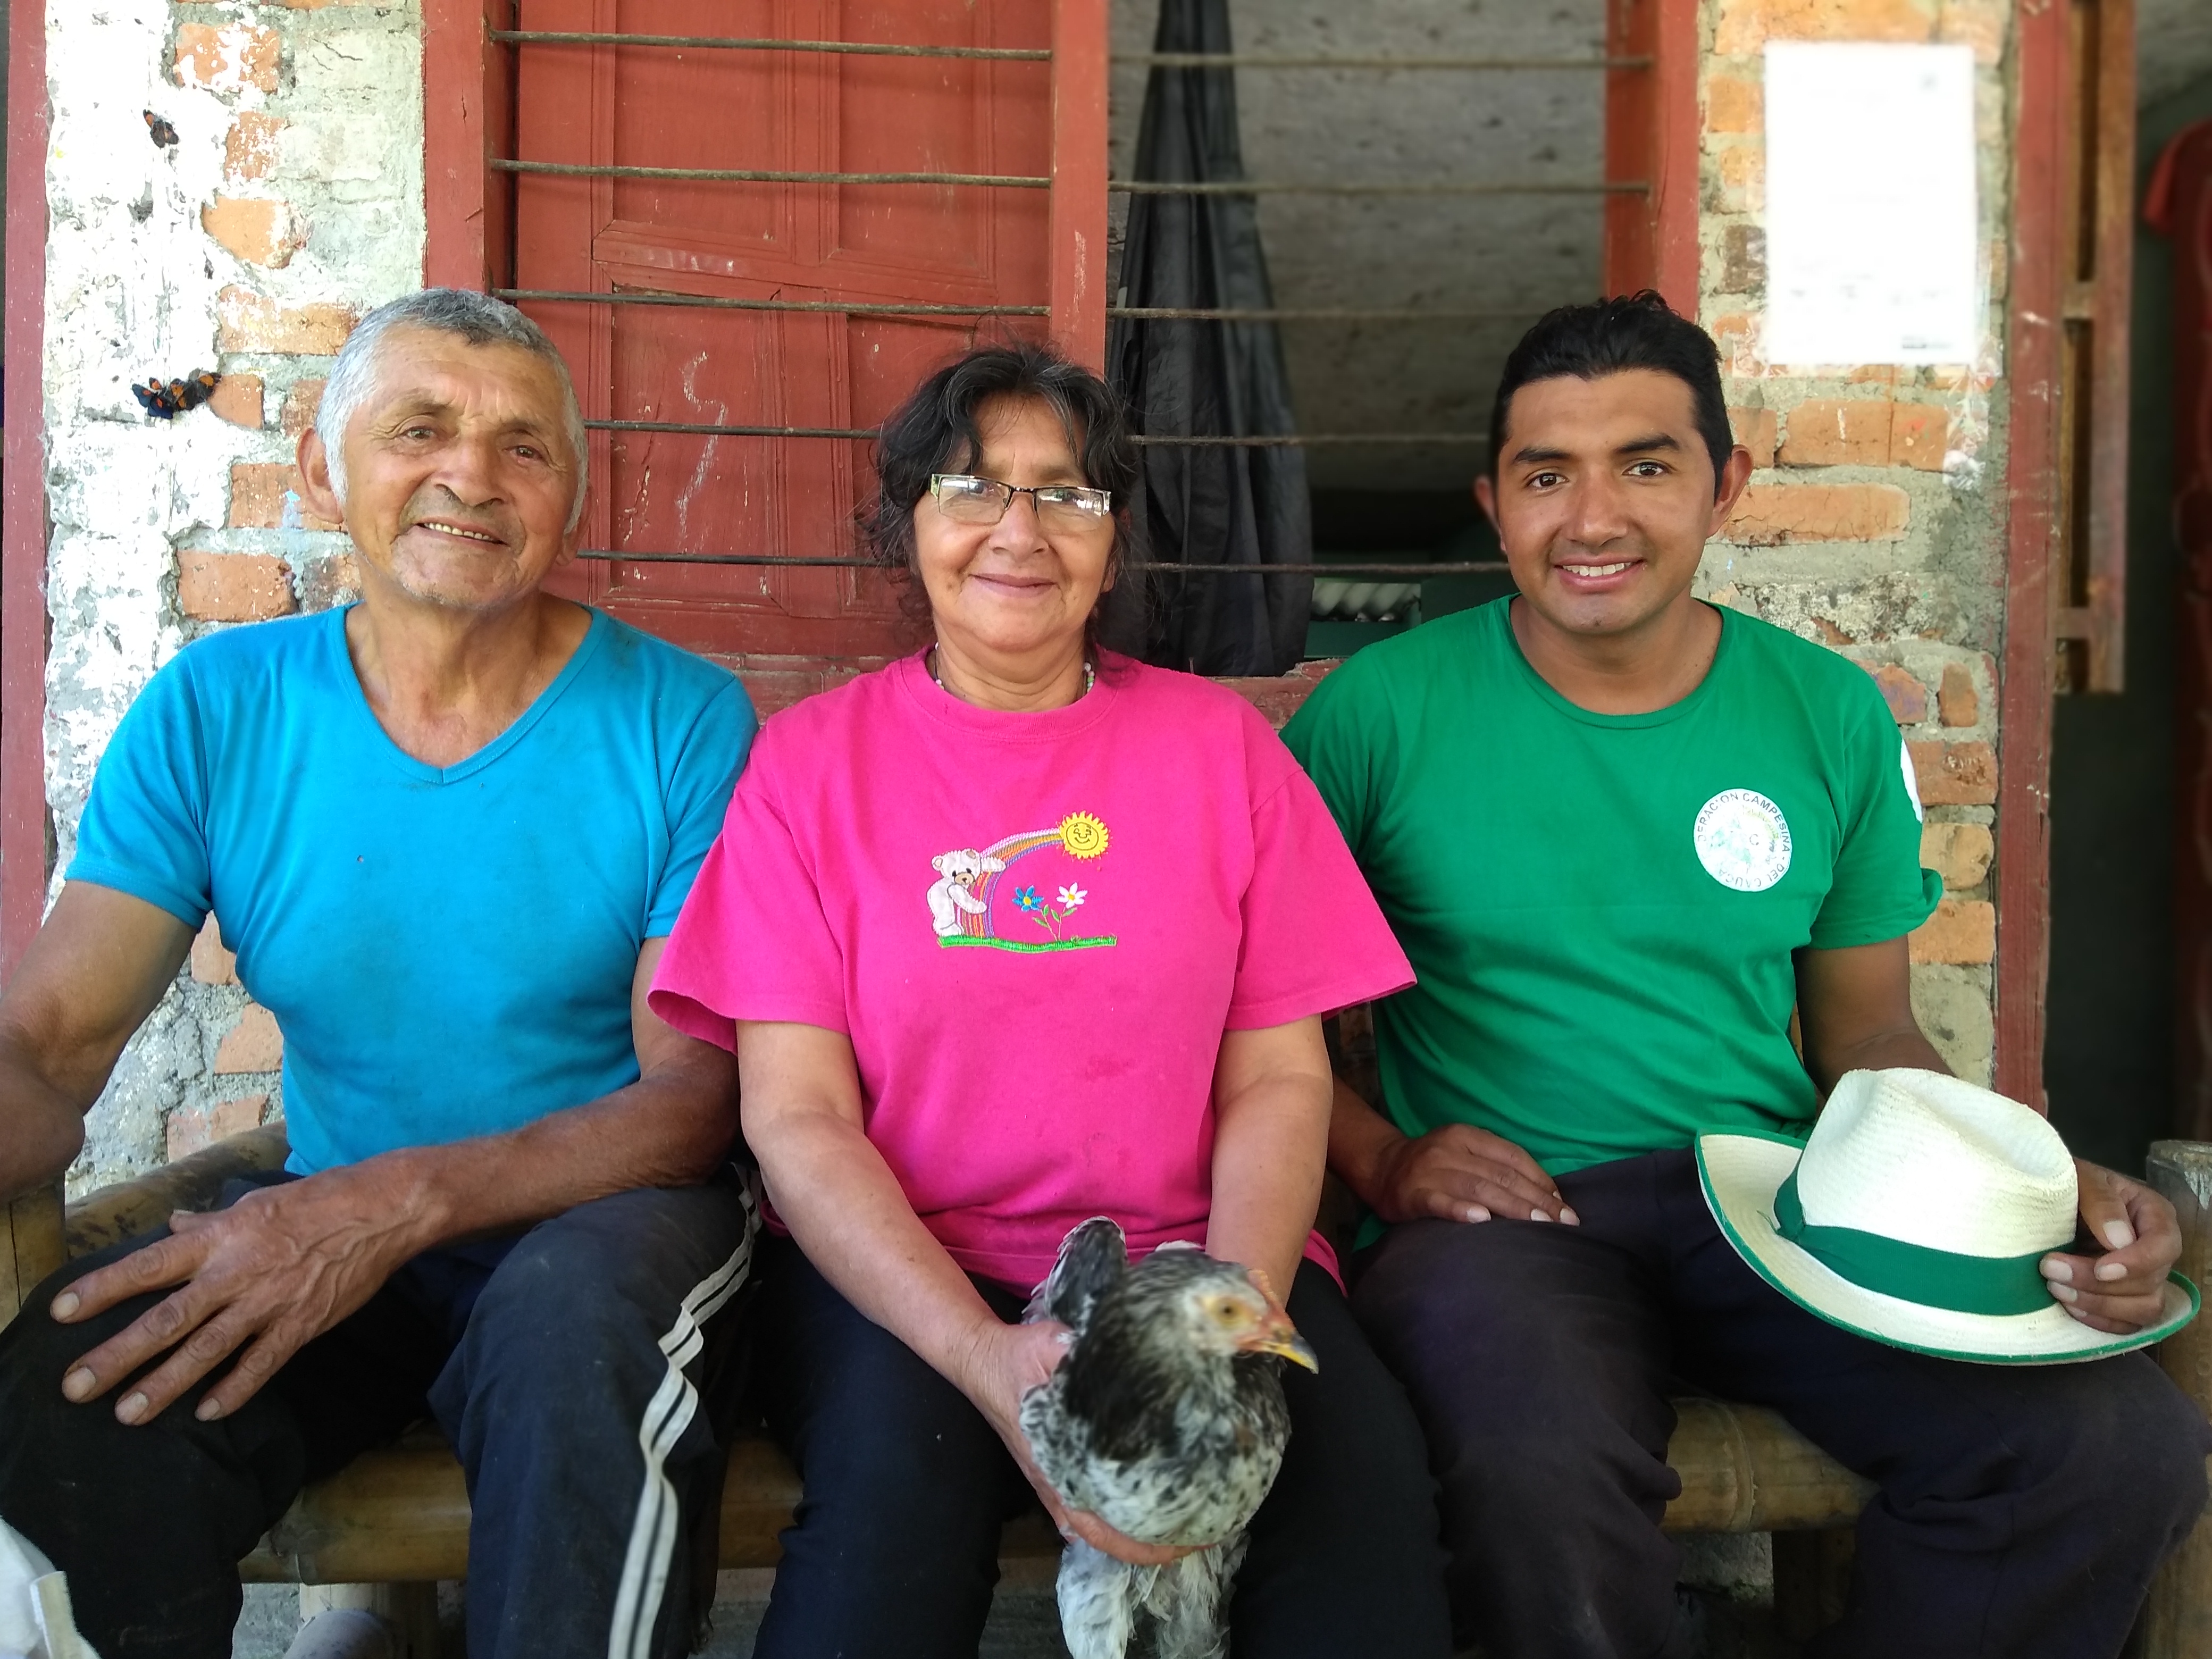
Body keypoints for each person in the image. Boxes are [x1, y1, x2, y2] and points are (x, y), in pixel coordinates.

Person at [1281, 291, 2212, 1658]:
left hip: (1782, 1208)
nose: (1591, 520)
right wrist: (1382, 1162)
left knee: (2113, 1445)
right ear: (1495, 504)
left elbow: (1869, 1037)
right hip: (1508, 1229)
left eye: (1644, 467)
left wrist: (2043, 1189)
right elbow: (1257, 1026)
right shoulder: (1376, 713)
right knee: (1530, 1463)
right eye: (1548, 476)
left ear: (1725, 485)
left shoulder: (1822, 710)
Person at [648, 341, 1453, 1659]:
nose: (1019, 531)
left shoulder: (1220, 752)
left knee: (1360, 1525)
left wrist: (1228, 1322)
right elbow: (797, 1122)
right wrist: (977, 1356)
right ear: (905, 527)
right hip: (913, 1279)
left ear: (1111, 536)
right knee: (887, 1533)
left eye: (1066, 494)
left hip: (1199, 1265)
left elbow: (1280, 1080)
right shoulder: (810, 768)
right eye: (972, 488)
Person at [0, 290, 758, 1659]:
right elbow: (47, 1043)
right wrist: (349, 1217)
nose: (471, 474)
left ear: (571, 499)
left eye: (523, 448)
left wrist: (388, 1204)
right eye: (421, 428)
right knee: (77, 1408)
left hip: (592, 1224)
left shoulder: (681, 716)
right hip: (337, 1225)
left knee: (574, 1343)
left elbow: (690, 1103)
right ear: (321, 469)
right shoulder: (218, 709)